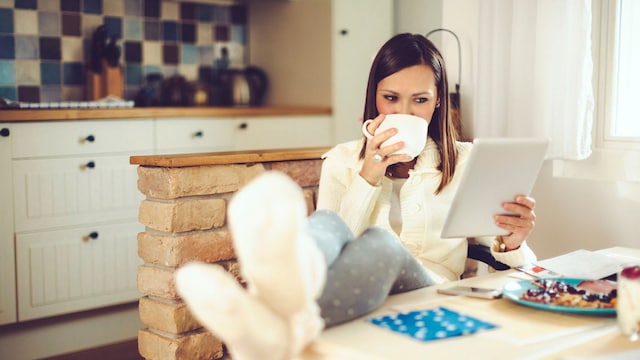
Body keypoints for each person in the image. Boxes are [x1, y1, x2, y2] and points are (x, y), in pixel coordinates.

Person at [317, 32, 537, 283]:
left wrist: (513, 242)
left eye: (420, 100)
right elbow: (326, 256)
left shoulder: (466, 162)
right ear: (374, 95)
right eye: (390, 98)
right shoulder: (340, 162)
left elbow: (508, 257)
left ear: (438, 100)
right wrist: (368, 176)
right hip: (364, 296)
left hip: (436, 297)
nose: (405, 112)